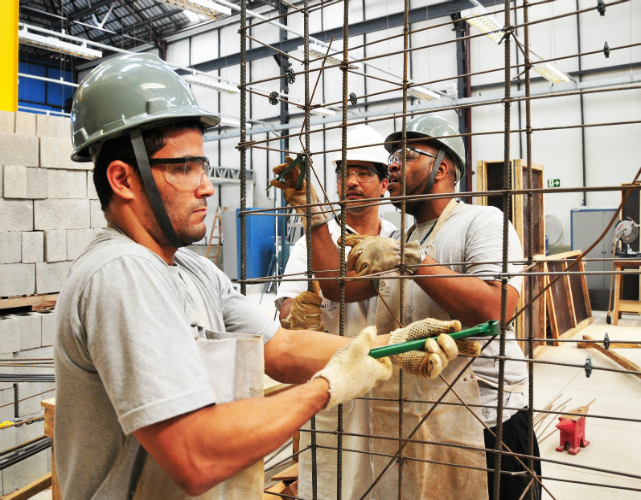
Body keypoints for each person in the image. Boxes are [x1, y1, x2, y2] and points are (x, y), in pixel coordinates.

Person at [52, 53, 396, 500]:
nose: (207, 186)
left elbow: (283, 348)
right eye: (183, 168)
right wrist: (327, 387)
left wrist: (394, 347)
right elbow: (195, 455)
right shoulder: (121, 272)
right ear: (122, 179)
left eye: (203, 166)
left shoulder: (192, 268)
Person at [334, 114, 542, 500]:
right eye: (392, 154)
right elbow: (340, 291)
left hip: (489, 422)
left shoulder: (481, 221)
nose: (392, 164)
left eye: (407, 155)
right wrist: (313, 216)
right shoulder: (406, 238)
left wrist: (408, 259)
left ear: (443, 168)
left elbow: (497, 308)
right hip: (423, 419)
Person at [275, 124, 397, 500]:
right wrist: (298, 313)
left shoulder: (396, 241)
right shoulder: (314, 240)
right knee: (332, 481)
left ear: (384, 184)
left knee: (388, 478)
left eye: (364, 173)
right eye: (345, 173)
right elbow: (286, 303)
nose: (352, 182)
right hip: (335, 384)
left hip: (386, 381)